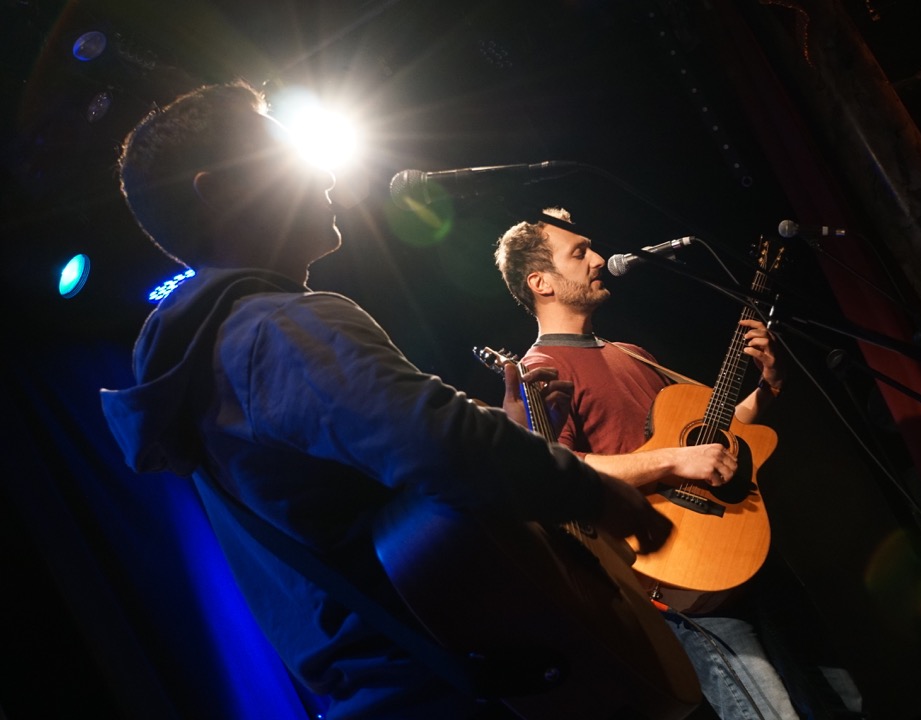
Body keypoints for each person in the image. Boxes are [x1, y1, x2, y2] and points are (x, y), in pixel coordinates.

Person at [99, 82, 673, 719]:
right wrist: (594, 493)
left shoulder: (211, 358)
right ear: (222, 191)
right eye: (282, 154)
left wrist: (513, 429)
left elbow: (380, 483)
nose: (322, 172)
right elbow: (438, 442)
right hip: (453, 685)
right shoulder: (276, 328)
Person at [494, 209, 799, 720]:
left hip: (739, 548)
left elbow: (709, 439)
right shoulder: (541, 369)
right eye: (579, 252)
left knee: (842, 701)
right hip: (678, 575)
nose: (598, 259)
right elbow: (560, 471)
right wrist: (677, 459)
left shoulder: (631, 352)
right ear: (540, 282)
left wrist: (769, 387)